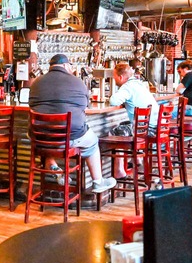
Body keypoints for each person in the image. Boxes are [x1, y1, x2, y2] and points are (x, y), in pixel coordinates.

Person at [29, 54, 117, 193]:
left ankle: (55, 168)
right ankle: (98, 181)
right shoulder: (77, 82)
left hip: (42, 137)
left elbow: (32, 105)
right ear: (65, 66)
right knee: (93, 142)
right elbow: (85, 107)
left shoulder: (36, 82)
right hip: (71, 136)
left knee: (46, 143)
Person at [108, 63, 160, 179]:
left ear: (121, 77)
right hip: (156, 126)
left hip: (146, 130)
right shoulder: (139, 84)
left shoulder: (127, 87)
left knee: (115, 132)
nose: (114, 79)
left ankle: (119, 170)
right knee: (124, 125)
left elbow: (113, 101)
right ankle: (137, 157)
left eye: (114, 76)